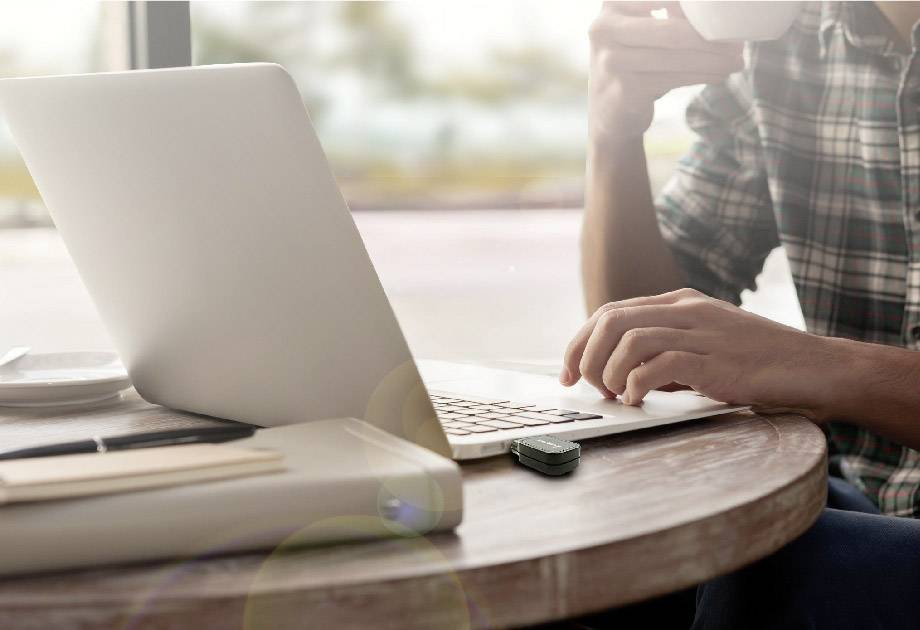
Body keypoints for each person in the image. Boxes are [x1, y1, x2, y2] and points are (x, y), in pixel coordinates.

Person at [559, 1, 920, 628]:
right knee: (592, 536)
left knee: (775, 568)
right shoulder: (786, 39)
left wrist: (823, 368)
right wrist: (612, 132)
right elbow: (646, 340)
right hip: (858, 493)